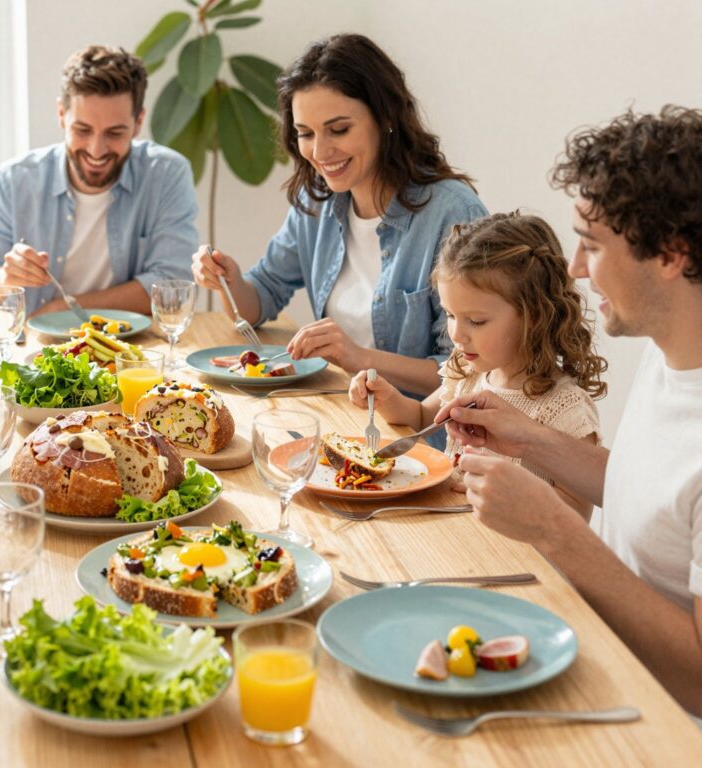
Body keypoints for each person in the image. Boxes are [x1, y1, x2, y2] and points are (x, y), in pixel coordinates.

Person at [439, 106, 702, 717]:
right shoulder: (672, 357)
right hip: (598, 653)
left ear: (669, 253)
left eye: (590, 246)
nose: (577, 270)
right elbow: (656, 500)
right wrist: (528, 438)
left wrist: (553, 530)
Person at [191, 33, 488, 398]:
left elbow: (469, 371)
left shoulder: (453, 213)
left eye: (339, 129)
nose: (320, 151)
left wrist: (358, 357)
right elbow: (259, 301)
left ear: (385, 119)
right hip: (341, 411)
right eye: (305, 133)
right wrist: (229, 280)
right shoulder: (316, 201)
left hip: (419, 437)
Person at [349, 212, 605, 516]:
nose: (456, 333)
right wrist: (385, 396)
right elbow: (419, 417)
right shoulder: (469, 372)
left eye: (476, 321)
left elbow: (577, 515)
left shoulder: (565, 408)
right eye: (451, 315)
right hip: (460, 535)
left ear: (534, 315)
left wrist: (514, 498)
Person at [0, 45, 198, 319]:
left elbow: (172, 286)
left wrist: (64, 309)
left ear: (138, 122)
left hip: (129, 349)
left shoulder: (166, 174)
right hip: (35, 349)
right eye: (82, 130)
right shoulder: (14, 180)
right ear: (61, 114)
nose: (96, 150)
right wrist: (3, 280)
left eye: (115, 133)